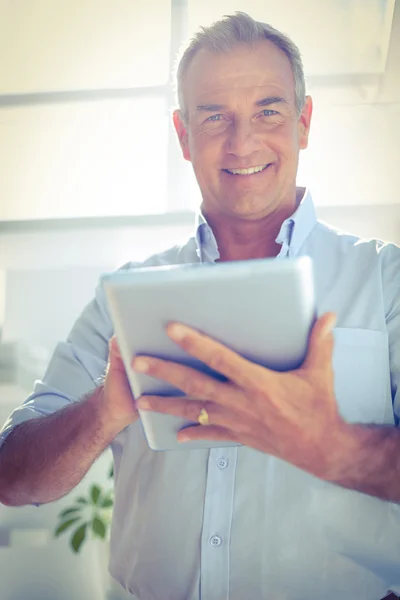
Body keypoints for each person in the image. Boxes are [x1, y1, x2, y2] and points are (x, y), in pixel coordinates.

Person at [0, 11, 399, 600]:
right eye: (215, 116)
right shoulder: (124, 297)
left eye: (269, 109)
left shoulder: (387, 279)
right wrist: (104, 409)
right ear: (184, 136)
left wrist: (333, 448)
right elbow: (13, 476)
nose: (243, 142)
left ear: (304, 122)